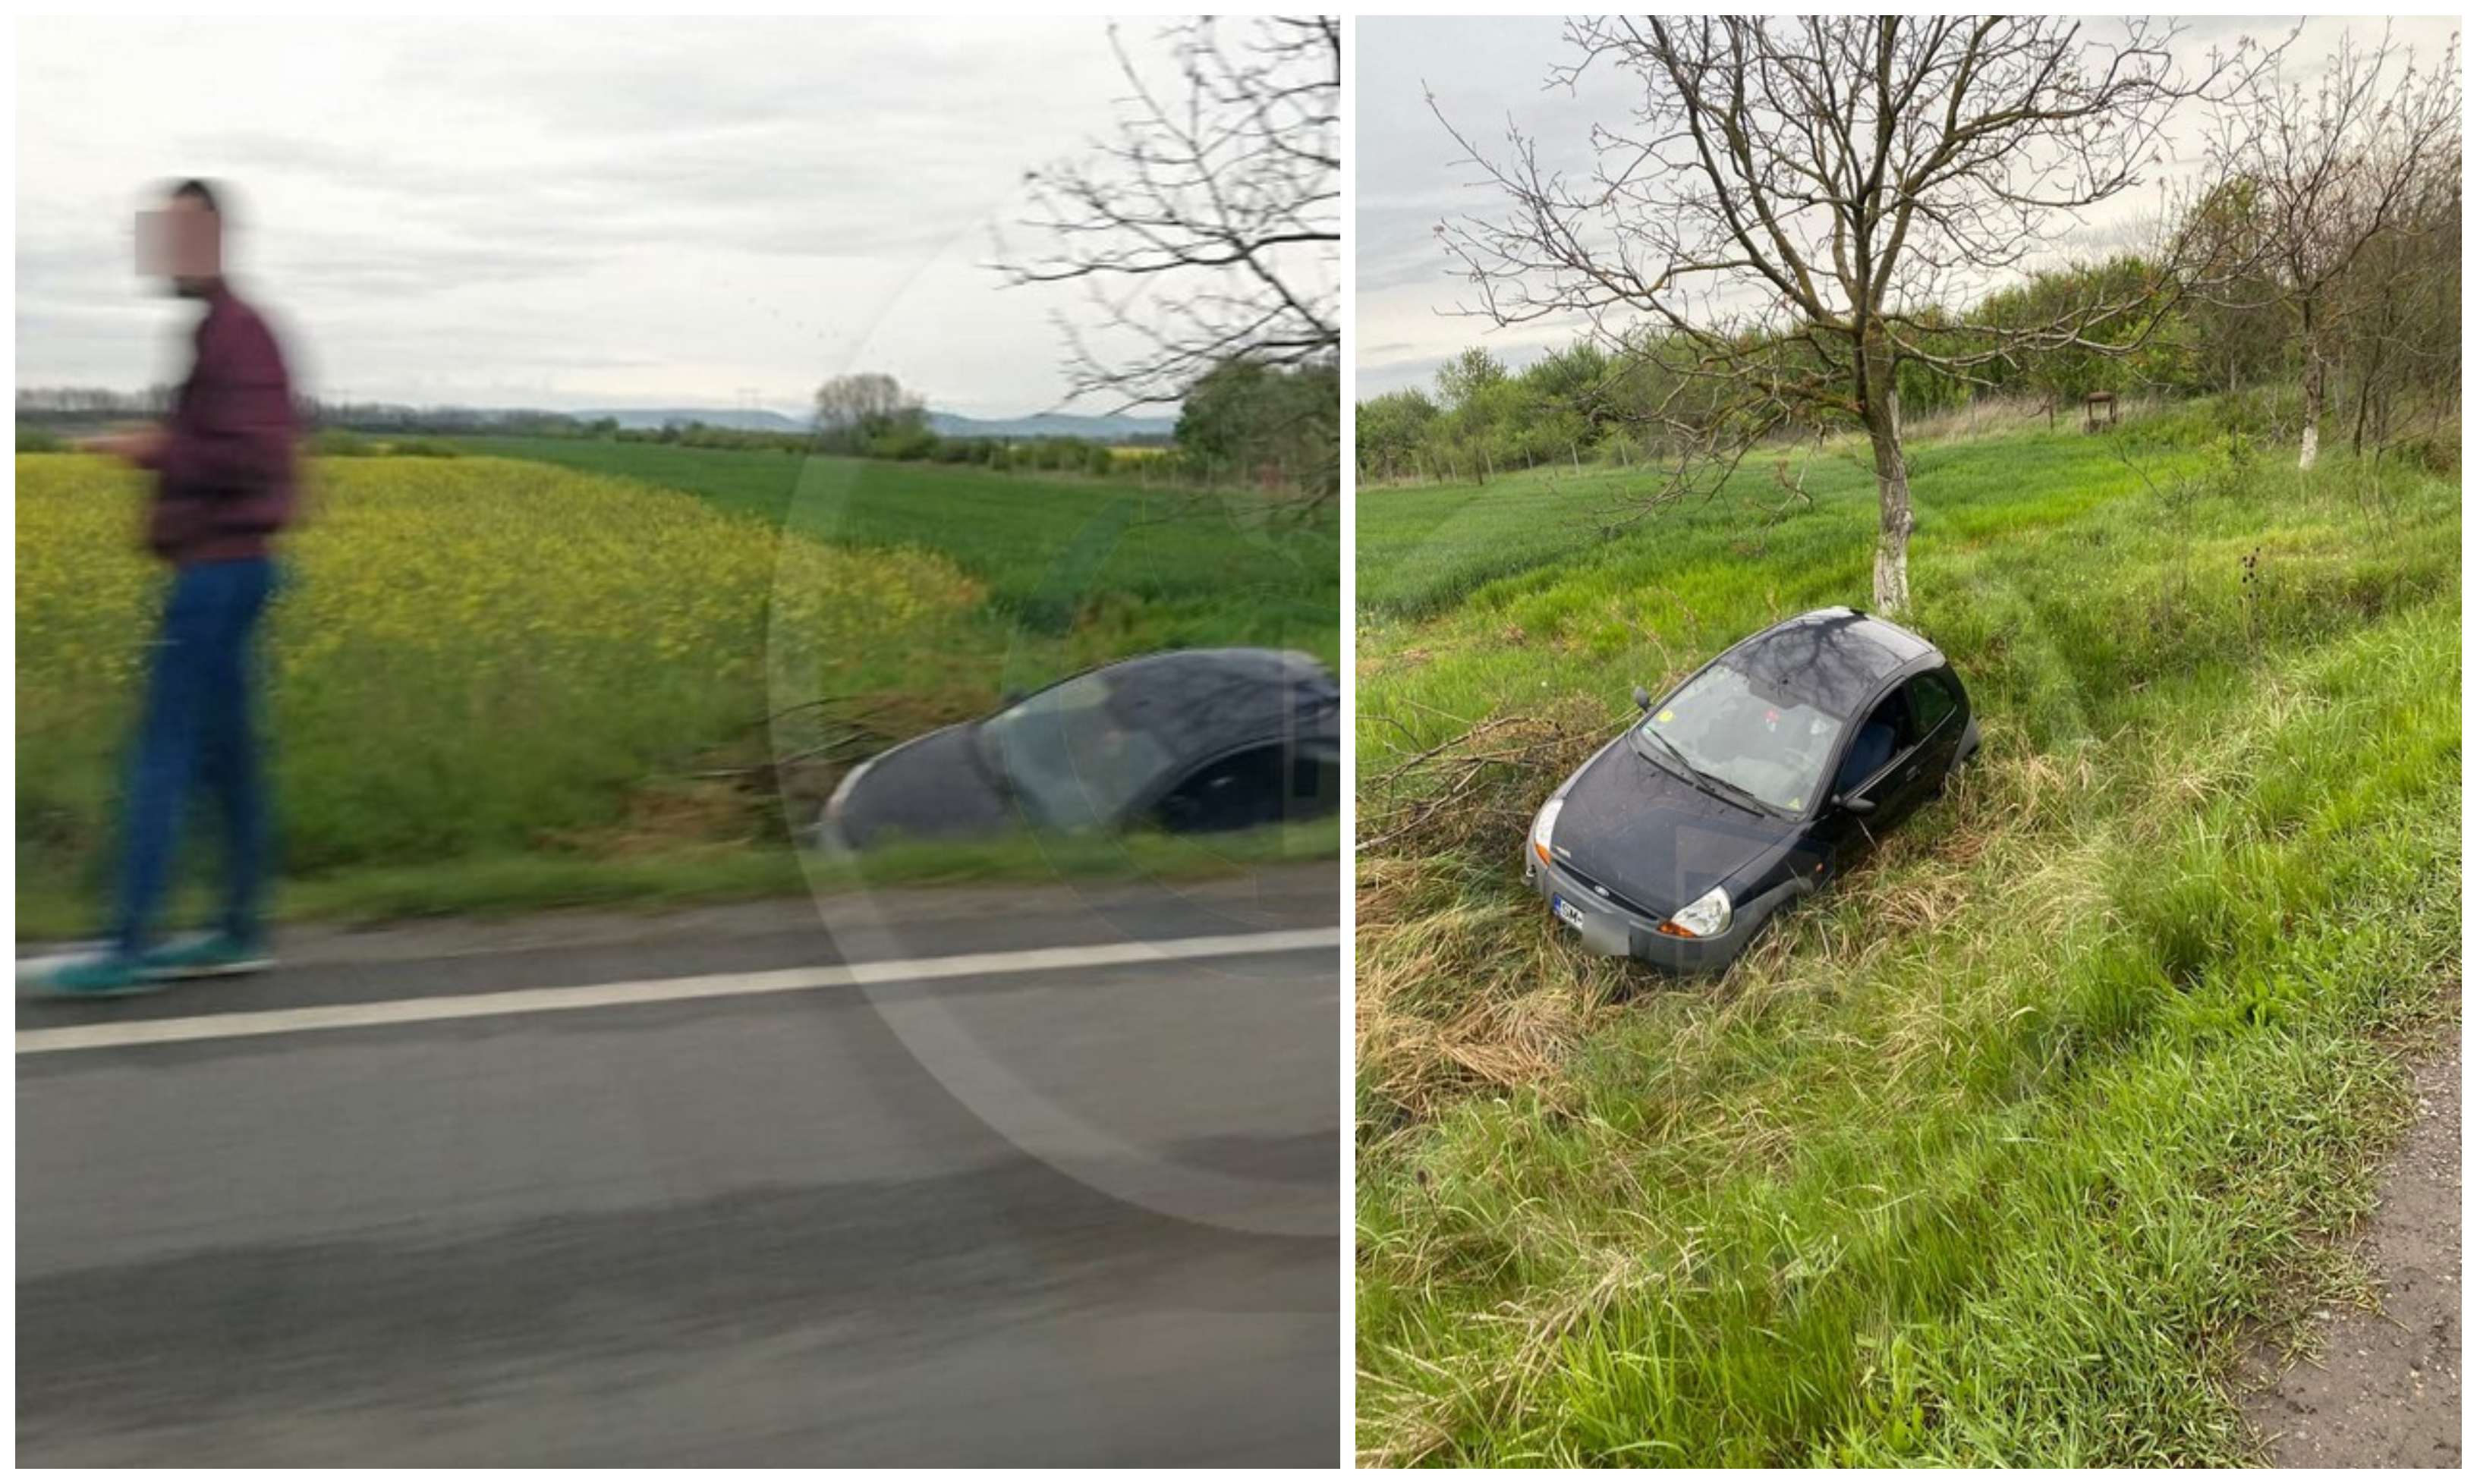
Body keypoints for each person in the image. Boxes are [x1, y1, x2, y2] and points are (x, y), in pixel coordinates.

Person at [48, 179, 298, 996]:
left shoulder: (242, 333)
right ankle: (237, 931)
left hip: (219, 575)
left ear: (218, 238)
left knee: (162, 755)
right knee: (227, 762)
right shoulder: (218, 332)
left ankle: (126, 948)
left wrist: (154, 447)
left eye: (184, 234)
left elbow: (253, 458)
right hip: (223, 571)